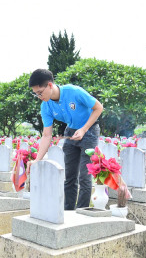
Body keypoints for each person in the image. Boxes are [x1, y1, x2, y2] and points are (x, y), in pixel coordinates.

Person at [28, 68, 104, 210]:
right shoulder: (45, 106)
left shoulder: (74, 92)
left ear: (49, 85)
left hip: (89, 130)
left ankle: (82, 212)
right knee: (69, 176)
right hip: (71, 131)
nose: (39, 96)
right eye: (36, 94)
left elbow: (99, 107)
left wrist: (84, 129)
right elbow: (46, 135)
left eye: (40, 92)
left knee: (85, 176)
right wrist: (37, 160)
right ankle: (68, 211)